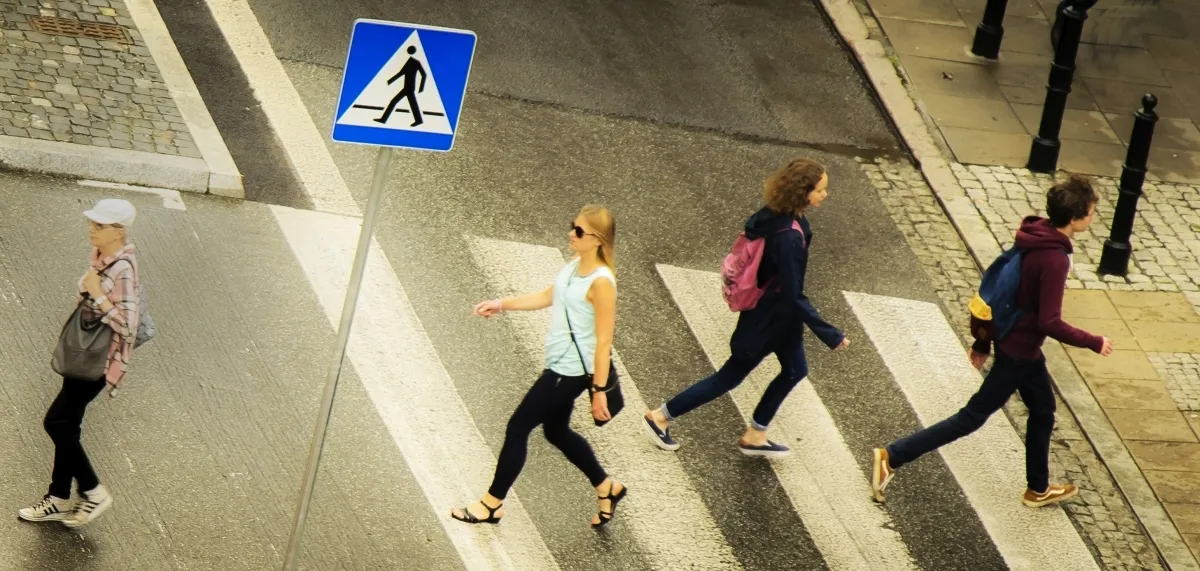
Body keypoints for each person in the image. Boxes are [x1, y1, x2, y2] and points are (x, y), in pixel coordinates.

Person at [871, 175, 1114, 508]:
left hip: (1018, 343)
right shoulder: (1054, 259)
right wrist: (1093, 341)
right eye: (1090, 213)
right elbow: (1050, 322)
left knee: (1043, 409)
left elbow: (1002, 286)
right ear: (1074, 219)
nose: (1092, 218)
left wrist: (984, 342)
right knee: (971, 418)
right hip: (1019, 352)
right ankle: (892, 456)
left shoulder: (1035, 234)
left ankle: (1038, 488)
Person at [643, 158, 849, 458]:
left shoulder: (777, 216)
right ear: (803, 192)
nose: (825, 195)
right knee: (729, 377)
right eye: (821, 190)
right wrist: (830, 333)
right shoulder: (789, 235)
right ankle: (660, 417)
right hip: (768, 319)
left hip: (781, 317)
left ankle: (756, 434)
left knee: (794, 370)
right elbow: (793, 294)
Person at [450, 205, 627, 528]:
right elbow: (549, 295)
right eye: (572, 226)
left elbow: (604, 342)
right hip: (557, 363)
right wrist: (502, 304)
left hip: (569, 373)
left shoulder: (602, 283)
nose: (570, 234)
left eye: (578, 231)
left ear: (598, 240)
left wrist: (599, 391)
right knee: (556, 431)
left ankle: (492, 503)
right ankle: (607, 487)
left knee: (518, 428)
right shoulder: (576, 265)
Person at [19, 198, 141, 528]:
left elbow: (129, 326)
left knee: (56, 423)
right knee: (68, 424)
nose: (91, 229)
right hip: (84, 354)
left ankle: (93, 490)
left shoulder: (122, 269)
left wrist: (97, 295)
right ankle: (58, 498)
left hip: (99, 360)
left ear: (118, 232)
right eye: (91, 223)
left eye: (99, 226)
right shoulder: (102, 258)